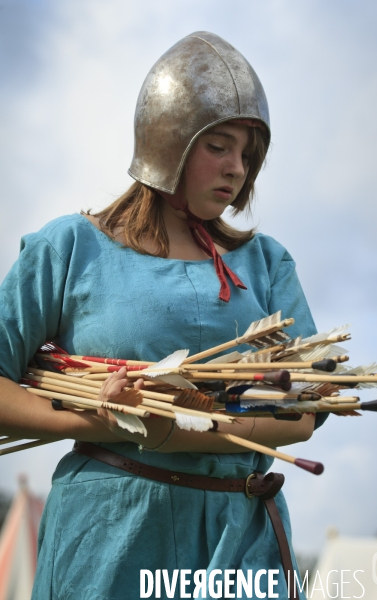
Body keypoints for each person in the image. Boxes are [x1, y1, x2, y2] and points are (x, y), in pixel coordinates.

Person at [0, 32, 326, 599]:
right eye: (218, 146)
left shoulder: (266, 262)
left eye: (247, 155)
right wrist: (104, 419)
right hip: (109, 536)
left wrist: (177, 431)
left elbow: (305, 409)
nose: (237, 169)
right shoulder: (71, 247)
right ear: (168, 139)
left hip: (240, 540)